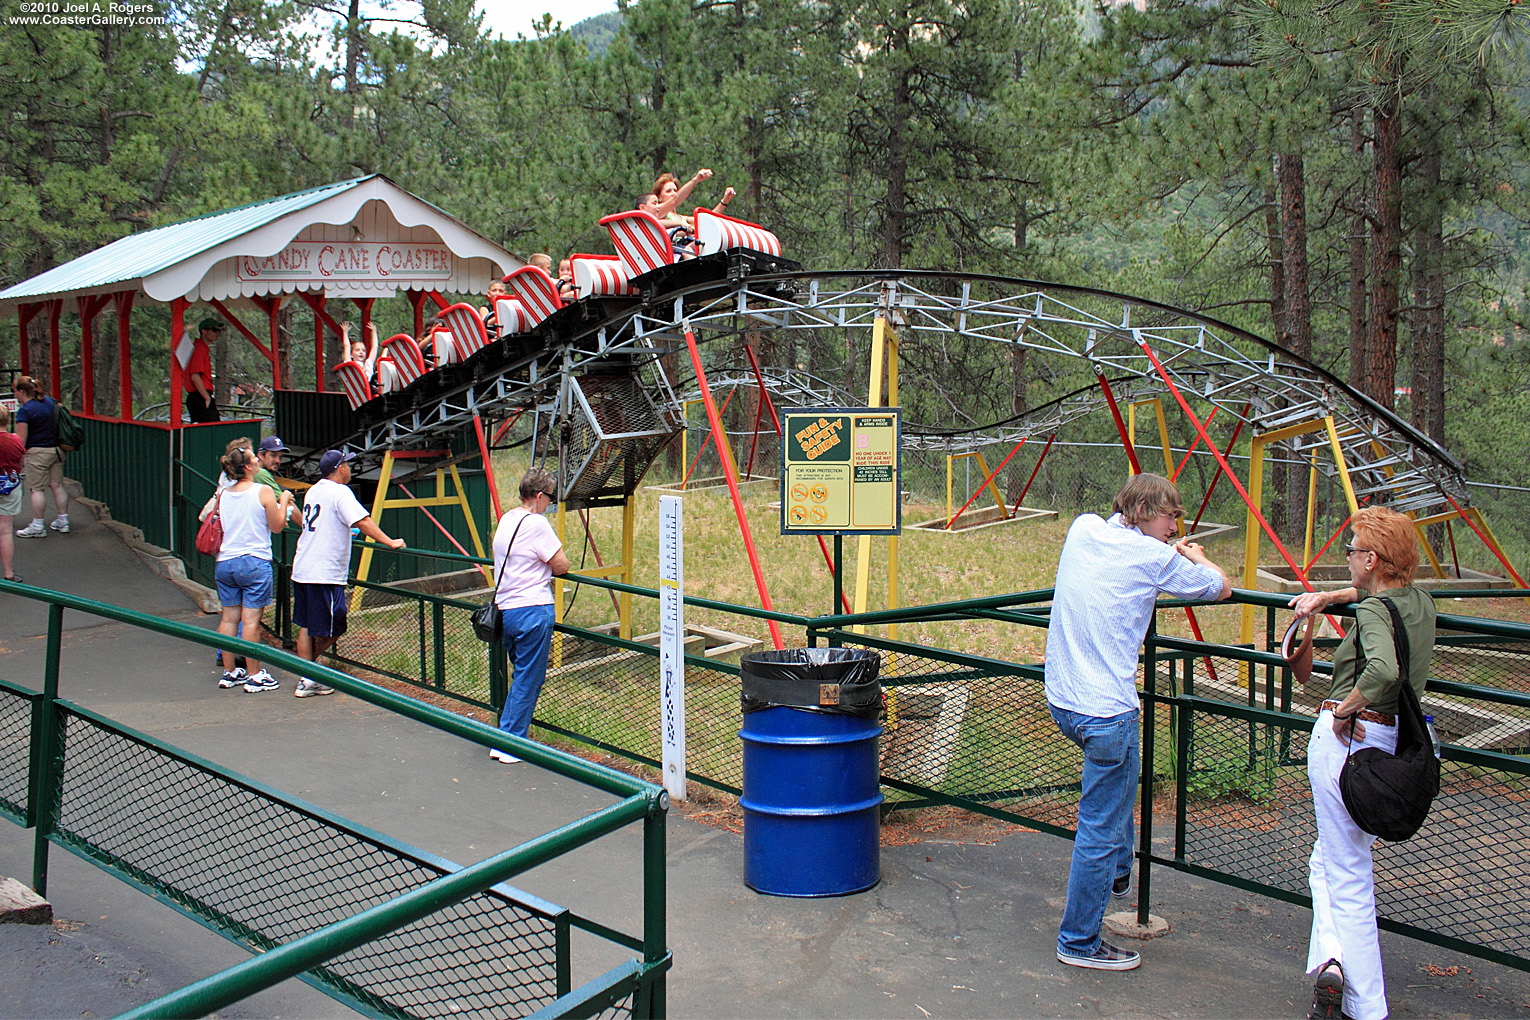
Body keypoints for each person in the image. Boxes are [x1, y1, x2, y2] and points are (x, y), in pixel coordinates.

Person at [1044, 472, 1230, 971]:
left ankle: (1120, 872)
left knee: (1113, 794)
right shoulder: (1155, 556)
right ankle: (1079, 942)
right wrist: (1194, 557)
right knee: (1099, 830)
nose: (1175, 526)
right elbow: (1220, 587)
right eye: (1171, 516)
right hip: (1107, 712)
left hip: (1064, 701)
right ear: (1147, 511)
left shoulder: (1084, 528)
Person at [1287, 506, 1436, 1020]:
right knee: (1328, 861)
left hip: (1351, 738)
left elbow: (1383, 667)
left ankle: (1367, 1006)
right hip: (1392, 744)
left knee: (1347, 874)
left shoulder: (1373, 612)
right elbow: (1374, 601)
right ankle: (1330, 963)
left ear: (1371, 559)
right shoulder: (1417, 601)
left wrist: (1345, 708)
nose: (1347, 557)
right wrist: (1330, 596)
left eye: (1351, 551)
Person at [289, 449, 405, 698]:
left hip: (303, 567)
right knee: (335, 626)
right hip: (324, 572)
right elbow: (362, 521)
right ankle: (309, 676)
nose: (350, 468)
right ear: (340, 468)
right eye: (348, 464)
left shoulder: (314, 490)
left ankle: (306, 673)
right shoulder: (340, 491)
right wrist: (389, 541)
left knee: (308, 625)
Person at [488, 467, 570, 763]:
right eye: (549, 497)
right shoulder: (537, 523)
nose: (550, 503)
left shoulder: (507, 520)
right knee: (528, 678)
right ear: (538, 496)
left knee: (521, 673)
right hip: (533, 610)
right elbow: (560, 564)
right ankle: (509, 742)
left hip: (507, 610)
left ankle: (507, 733)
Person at [212, 444, 293, 693]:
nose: (257, 460)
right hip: (254, 561)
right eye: (252, 458)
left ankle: (229, 672)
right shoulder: (263, 491)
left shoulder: (224, 494)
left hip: (226, 561)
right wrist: (284, 500)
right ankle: (255, 674)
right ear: (248, 466)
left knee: (228, 618)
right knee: (250, 622)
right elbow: (278, 526)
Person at [12, 375, 70, 538]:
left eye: (15, 391)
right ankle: (63, 521)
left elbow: (21, 439)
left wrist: (18, 459)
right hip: (57, 450)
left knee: (36, 489)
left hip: (38, 452)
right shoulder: (50, 402)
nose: (14, 395)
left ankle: (38, 525)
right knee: (57, 485)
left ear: (22, 391)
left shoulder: (25, 411)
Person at [0, 404, 24, 582]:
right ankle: (8, 573)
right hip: (9, 486)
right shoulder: (15, 440)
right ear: (8, 420)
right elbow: (20, 464)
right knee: (5, 531)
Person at [184, 317, 224, 423]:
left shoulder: (200, 348)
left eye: (218, 331)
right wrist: (206, 397)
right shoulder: (199, 349)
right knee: (212, 430)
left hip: (199, 397)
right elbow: (195, 376)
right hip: (199, 397)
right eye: (215, 330)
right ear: (204, 331)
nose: (217, 334)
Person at [344, 321, 380, 390]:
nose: (361, 352)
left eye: (363, 350)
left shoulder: (367, 363)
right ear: (351, 354)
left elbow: (375, 347)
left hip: (370, 388)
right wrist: (345, 333)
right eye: (357, 350)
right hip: (360, 388)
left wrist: (374, 331)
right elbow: (347, 346)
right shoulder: (350, 365)